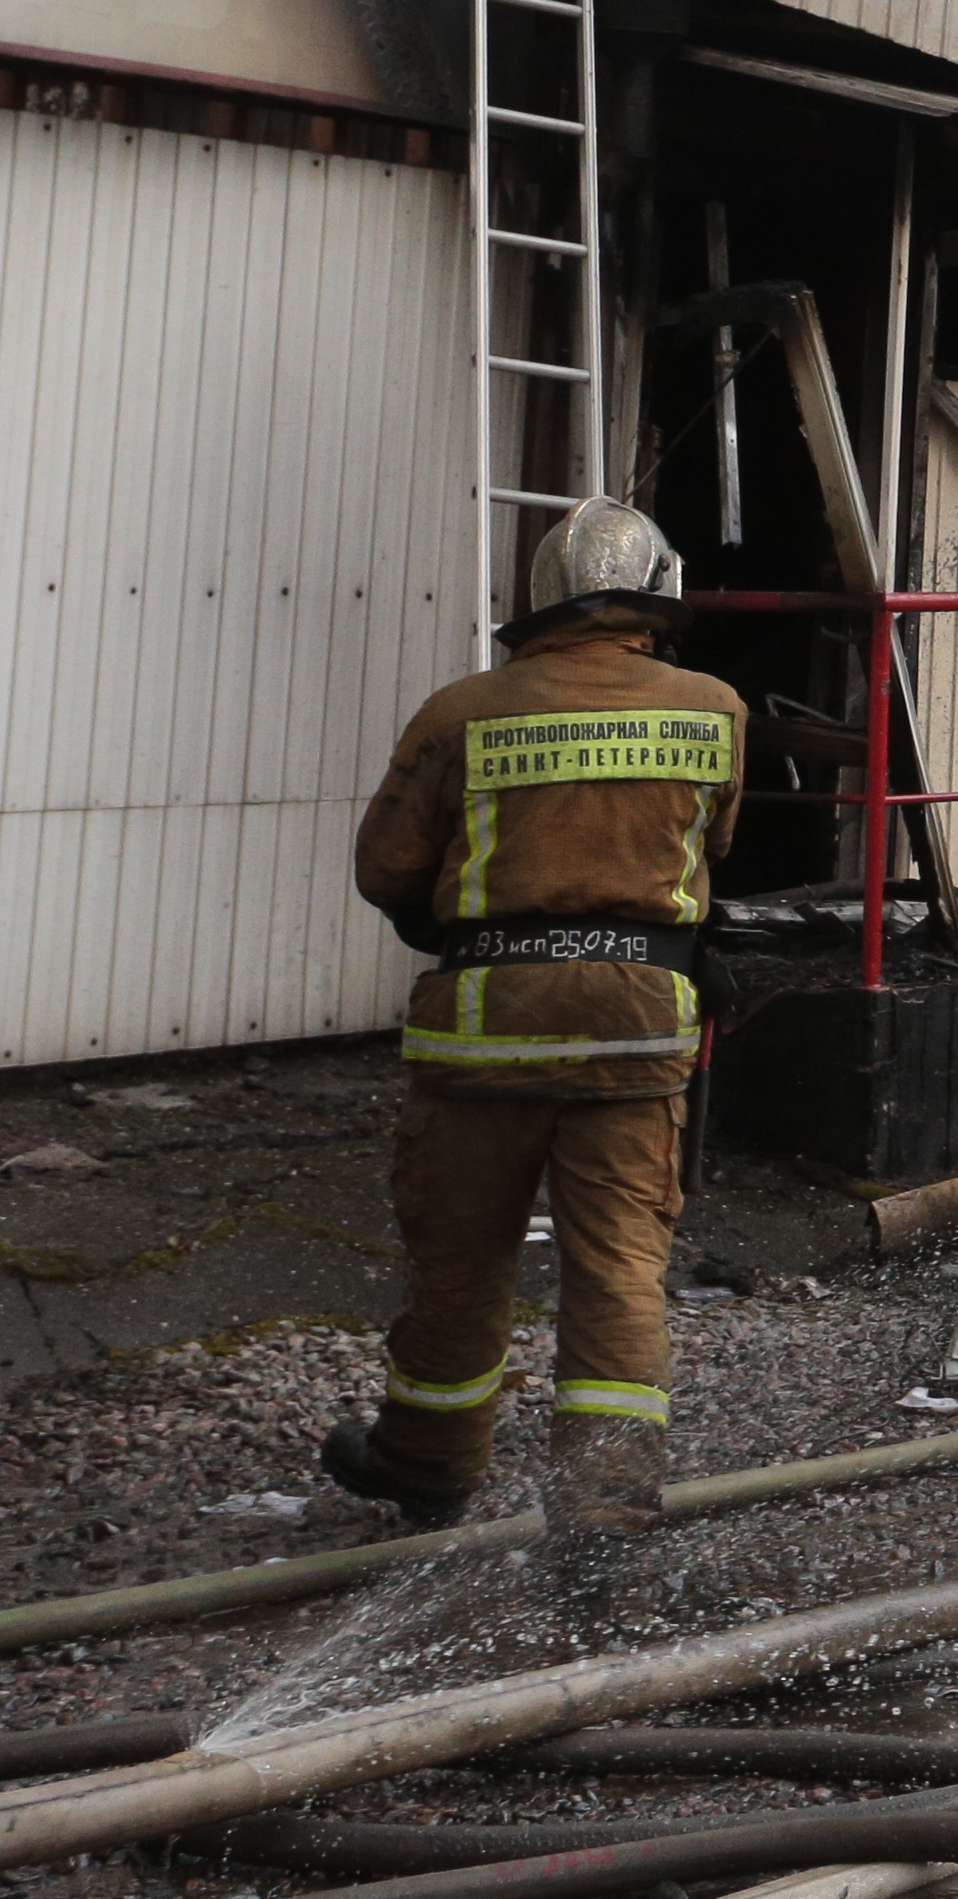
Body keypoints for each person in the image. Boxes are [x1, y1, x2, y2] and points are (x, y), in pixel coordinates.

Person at [323, 497, 749, 1543]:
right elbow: (714, 848)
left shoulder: (460, 711)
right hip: (637, 1032)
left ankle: (426, 1466)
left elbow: (387, 869)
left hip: (484, 1030)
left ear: (540, 604)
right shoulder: (713, 708)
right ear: (655, 599)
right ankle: (605, 1500)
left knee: (462, 1259)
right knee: (618, 1266)